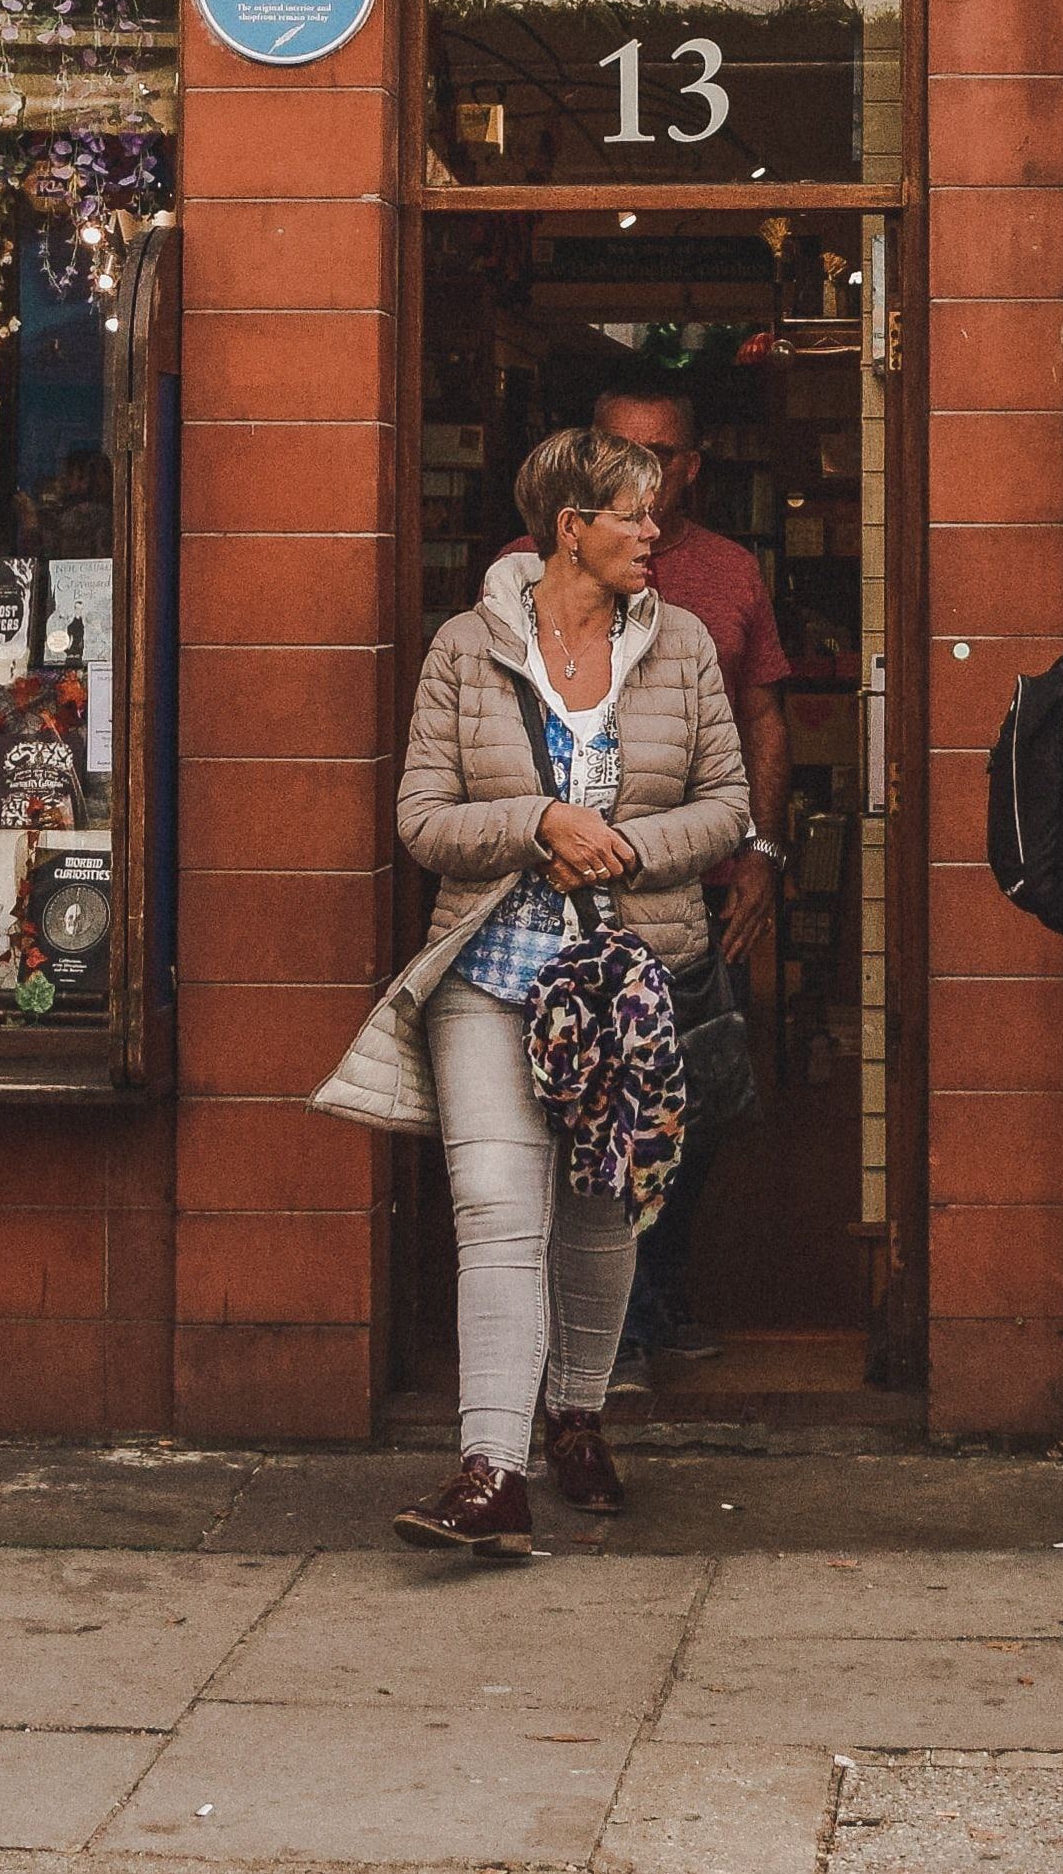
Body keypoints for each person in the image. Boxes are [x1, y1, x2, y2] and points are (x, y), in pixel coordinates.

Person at [377, 424, 751, 1559]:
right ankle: (491, 1469)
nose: (653, 531)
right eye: (632, 514)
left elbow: (729, 803)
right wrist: (534, 821)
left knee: (601, 1209)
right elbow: (422, 819)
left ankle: (576, 1415)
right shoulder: (463, 646)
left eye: (655, 511)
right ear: (568, 527)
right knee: (496, 1211)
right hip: (490, 971)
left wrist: (627, 848)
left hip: (627, 980)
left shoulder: (680, 644)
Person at [592, 375, 793, 1368]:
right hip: (578, 901)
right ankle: (607, 1322)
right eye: (617, 448)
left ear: (692, 467)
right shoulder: (523, 571)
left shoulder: (727, 571)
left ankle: (657, 1294)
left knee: (694, 1104)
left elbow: (763, 717)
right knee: (594, 1108)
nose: (639, 471)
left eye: (659, 453)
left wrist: (759, 851)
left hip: (700, 895)